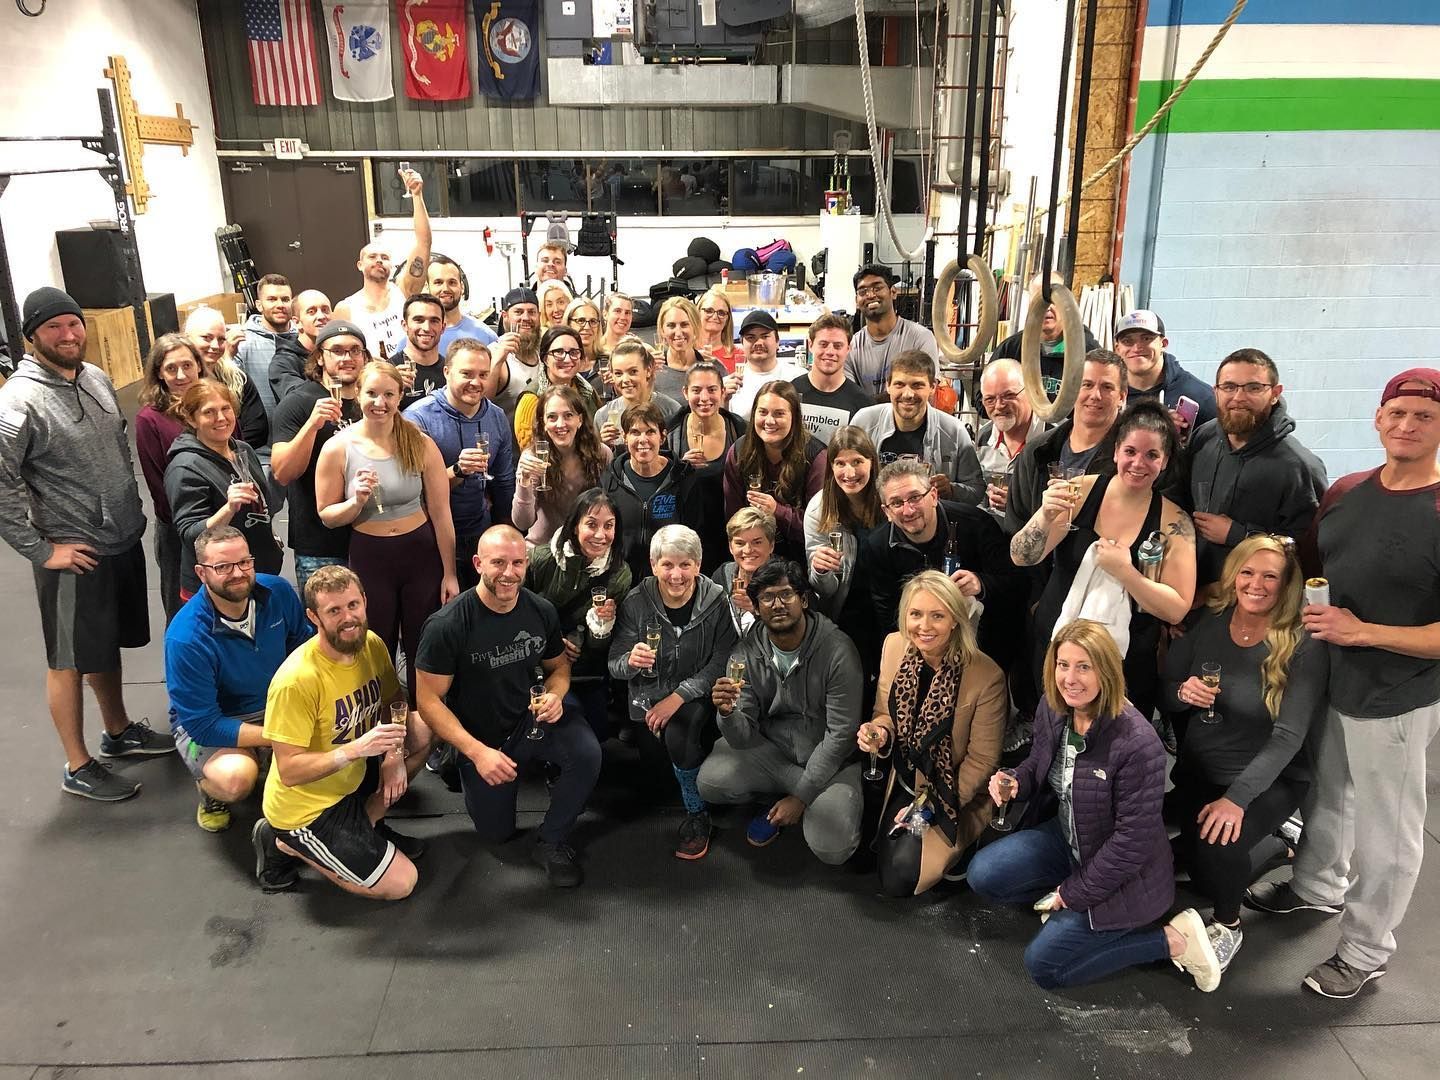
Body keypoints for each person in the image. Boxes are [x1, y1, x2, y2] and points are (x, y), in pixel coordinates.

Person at [1244, 369, 1440, 999]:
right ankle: (1316, 888)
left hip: (1397, 694)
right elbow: (1312, 567)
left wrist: (1364, 633)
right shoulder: (1349, 492)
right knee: (1328, 794)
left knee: (1388, 832)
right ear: (1378, 419)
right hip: (1330, 676)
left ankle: (1365, 951)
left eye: (1423, 417)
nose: (1407, 426)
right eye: (1397, 414)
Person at [966, 620, 1221, 991]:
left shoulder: (1137, 743)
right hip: (1070, 836)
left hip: (1127, 872)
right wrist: (1015, 782)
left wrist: (1072, 894)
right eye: (1062, 665)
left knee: (1045, 968)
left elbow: (1130, 846)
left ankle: (1170, 942)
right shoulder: (1054, 709)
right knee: (983, 874)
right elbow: (1038, 766)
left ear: (1107, 670)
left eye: (1084, 666)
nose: (1070, 678)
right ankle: (1073, 912)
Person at [0, 287, 172, 802]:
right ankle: (77, 764)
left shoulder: (95, 377)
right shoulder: (19, 400)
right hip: (70, 552)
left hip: (117, 539)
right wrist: (41, 550)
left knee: (105, 644)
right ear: (31, 337)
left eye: (74, 323)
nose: (69, 334)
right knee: (68, 659)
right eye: (54, 327)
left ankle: (117, 731)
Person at [1162, 536, 1326, 975]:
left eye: (1270, 576)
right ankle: (1274, 846)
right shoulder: (1207, 621)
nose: (1256, 584)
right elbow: (1167, 687)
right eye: (1247, 573)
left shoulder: (1302, 642)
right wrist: (1182, 692)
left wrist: (1236, 800)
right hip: (1202, 770)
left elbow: (1289, 737)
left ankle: (1229, 924)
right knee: (1175, 856)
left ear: (1285, 583)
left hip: (1269, 778)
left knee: (1218, 851)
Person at [416, 527, 601, 888]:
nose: (509, 573)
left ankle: (552, 840)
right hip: (481, 738)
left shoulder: (540, 609)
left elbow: (559, 667)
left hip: (529, 719)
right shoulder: (447, 625)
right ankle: (459, 766)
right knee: (496, 833)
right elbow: (427, 702)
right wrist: (476, 752)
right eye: (498, 562)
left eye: (517, 563)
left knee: (587, 752)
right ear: (478, 564)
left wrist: (555, 695)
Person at [1012, 399, 1196, 721]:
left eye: (1151, 455)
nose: (1138, 463)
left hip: (1124, 667)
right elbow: (1022, 556)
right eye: (1130, 451)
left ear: (1165, 461)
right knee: (1049, 746)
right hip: (1057, 652)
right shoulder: (1078, 493)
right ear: (1115, 452)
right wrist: (1044, 515)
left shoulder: (1173, 521)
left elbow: (1177, 606)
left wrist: (1127, 574)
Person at [254, 566, 428, 899]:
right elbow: (289, 771)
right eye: (334, 611)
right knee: (401, 884)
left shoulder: (371, 644)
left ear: (364, 601)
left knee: (423, 727)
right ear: (313, 617)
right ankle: (286, 843)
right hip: (308, 808)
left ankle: (367, 823)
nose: (348, 618)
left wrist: (392, 757)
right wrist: (355, 750)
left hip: (352, 775)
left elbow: (395, 701)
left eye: (352, 605)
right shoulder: (296, 681)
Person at [701, 559, 864, 866]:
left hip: (828, 756)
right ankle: (797, 796)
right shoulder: (745, 653)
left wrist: (800, 796)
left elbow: (841, 735)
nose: (778, 604)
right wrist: (727, 713)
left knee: (832, 848)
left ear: (803, 599)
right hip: (773, 751)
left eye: (786, 594)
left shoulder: (837, 650)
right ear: (756, 606)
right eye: (767, 597)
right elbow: (742, 737)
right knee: (711, 781)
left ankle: (797, 799)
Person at [316, 360, 459, 703]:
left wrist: (450, 574)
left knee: (421, 642)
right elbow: (327, 516)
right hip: (371, 556)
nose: (379, 402)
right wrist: (356, 502)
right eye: (371, 393)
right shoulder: (338, 447)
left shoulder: (420, 443)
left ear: (400, 396)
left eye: (388, 394)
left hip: (420, 555)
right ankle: (381, 724)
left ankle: (425, 720)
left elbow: (441, 513)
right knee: (375, 643)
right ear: (358, 395)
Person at [859, 571, 1007, 895]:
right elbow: (885, 714)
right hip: (905, 776)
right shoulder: (894, 646)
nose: (923, 626)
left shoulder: (987, 676)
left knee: (900, 877)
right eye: (916, 614)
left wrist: (930, 807)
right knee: (863, 856)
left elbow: (983, 761)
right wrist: (880, 734)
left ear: (955, 619)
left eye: (937, 616)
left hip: (954, 789)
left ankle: (967, 842)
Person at [165, 527, 313, 835]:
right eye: (223, 567)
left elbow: (304, 649)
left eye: (244, 562)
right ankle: (209, 790)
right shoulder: (186, 638)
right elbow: (203, 724)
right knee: (236, 779)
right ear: (201, 573)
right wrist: (280, 736)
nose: (237, 573)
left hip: (276, 703)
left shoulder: (279, 592)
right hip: (217, 722)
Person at [609, 525, 738, 859]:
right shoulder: (637, 601)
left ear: (698, 564)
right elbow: (615, 664)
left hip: (696, 696)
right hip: (647, 701)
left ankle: (698, 816)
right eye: (667, 564)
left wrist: (679, 696)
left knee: (680, 734)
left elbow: (723, 659)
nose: (677, 574)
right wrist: (631, 662)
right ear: (653, 565)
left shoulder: (717, 600)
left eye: (685, 564)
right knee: (657, 781)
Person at [1186, 348, 1327, 589]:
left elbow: (1307, 549)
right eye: (1229, 387)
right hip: (1194, 591)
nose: (1239, 397)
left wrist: (1239, 535)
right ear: (1216, 392)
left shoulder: (1298, 466)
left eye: (1253, 388)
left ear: (1274, 393)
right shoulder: (1204, 437)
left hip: (1254, 599)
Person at [404, 338, 516, 590]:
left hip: (481, 533)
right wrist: (457, 471)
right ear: (446, 372)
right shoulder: (417, 418)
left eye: (483, 375)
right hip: (430, 539)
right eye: (467, 373)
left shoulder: (496, 416)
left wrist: (505, 531)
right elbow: (411, 491)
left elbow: (504, 480)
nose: (476, 382)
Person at [269, 320, 367, 593]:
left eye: (355, 350)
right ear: (320, 357)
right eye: (337, 350)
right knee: (325, 629)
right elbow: (282, 472)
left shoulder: (372, 402)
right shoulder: (298, 402)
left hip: (370, 537)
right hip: (320, 544)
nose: (347, 358)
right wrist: (312, 425)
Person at [526, 490, 632, 741]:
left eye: (609, 526)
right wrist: (551, 646)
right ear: (574, 526)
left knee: (597, 733)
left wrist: (601, 626)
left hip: (585, 670)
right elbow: (515, 616)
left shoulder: (620, 574)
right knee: (546, 724)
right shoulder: (542, 560)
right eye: (591, 524)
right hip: (536, 665)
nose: (600, 535)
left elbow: (603, 650)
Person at [165, 380, 283, 602]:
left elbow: (262, 506)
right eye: (209, 412)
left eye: (225, 408)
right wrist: (228, 509)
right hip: (216, 586)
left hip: (255, 573)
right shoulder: (185, 467)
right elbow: (191, 535)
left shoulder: (241, 449)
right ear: (192, 419)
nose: (221, 418)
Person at [1005, 349, 1130, 536]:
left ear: (1122, 397)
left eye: (1107, 387)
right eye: (1086, 385)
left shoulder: (1132, 457)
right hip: (1038, 563)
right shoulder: (1037, 450)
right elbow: (1015, 527)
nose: (1095, 395)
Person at [851, 350, 984, 504]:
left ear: (933, 387)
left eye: (917, 385)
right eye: (899, 384)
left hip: (930, 525)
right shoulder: (864, 422)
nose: (908, 394)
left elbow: (977, 490)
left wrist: (952, 490)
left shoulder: (954, 431)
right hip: (873, 522)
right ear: (888, 385)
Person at [135, 333, 203, 622]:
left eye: (187, 365)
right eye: (171, 368)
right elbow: (159, 487)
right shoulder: (149, 419)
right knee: (184, 615)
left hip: (224, 525)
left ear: (199, 366)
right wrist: (197, 523)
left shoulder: (213, 403)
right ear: (159, 374)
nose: (180, 375)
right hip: (179, 533)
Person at [722, 381, 827, 561]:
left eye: (779, 414)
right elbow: (733, 520)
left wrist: (776, 511)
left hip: (800, 559)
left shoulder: (816, 457)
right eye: (762, 412)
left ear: (794, 417)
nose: (769, 421)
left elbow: (818, 529)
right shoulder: (739, 450)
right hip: (752, 557)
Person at [335, 166, 431, 357]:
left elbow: (424, 243)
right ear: (360, 265)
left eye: (385, 257)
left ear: (393, 266)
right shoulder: (345, 309)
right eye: (372, 256)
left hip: (410, 376)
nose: (379, 260)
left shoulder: (404, 291)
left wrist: (417, 195)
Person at [602, 401, 701, 583]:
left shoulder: (684, 479)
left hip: (671, 582)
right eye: (635, 432)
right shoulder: (609, 480)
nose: (643, 440)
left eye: (650, 432)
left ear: (662, 437)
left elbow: (696, 541)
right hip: (622, 582)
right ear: (625, 437)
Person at [665, 359, 747, 571]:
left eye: (711, 389)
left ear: (722, 392)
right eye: (696, 390)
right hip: (683, 539)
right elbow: (659, 484)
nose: (704, 398)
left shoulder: (740, 430)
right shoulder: (670, 431)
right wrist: (680, 468)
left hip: (729, 538)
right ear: (685, 393)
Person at [514, 384, 612, 547]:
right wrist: (524, 483)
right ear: (543, 422)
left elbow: (609, 511)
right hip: (543, 549)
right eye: (552, 417)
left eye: (568, 415)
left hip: (587, 548)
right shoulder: (532, 457)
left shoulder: (602, 454)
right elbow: (522, 523)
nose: (560, 424)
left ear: (579, 420)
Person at [804, 425, 882, 625]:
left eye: (857, 461)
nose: (850, 472)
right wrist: (821, 571)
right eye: (840, 463)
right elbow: (825, 591)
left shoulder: (889, 498)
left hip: (889, 602)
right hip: (845, 611)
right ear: (831, 466)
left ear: (872, 462)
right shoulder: (818, 510)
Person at [988, 274, 1101, 402]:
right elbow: (983, 399)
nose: (1046, 307)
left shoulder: (1089, 352)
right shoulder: (1011, 349)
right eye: (1039, 301)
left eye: (1053, 301)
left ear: (1067, 303)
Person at [1113, 310, 1216, 441]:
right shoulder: (1107, 392)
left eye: (1146, 338)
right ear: (1117, 349)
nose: (1137, 347)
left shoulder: (1199, 396)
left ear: (1163, 344)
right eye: (1128, 341)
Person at [844, 264, 940, 398]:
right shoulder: (852, 346)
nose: (870, 295)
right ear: (856, 301)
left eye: (877, 288)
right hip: (868, 420)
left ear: (893, 292)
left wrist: (867, 404)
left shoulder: (920, 337)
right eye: (863, 291)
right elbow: (851, 400)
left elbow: (923, 394)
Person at [185, 306, 271, 452]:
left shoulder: (237, 378)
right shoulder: (180, 384)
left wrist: (226, 448)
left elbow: (257, 428)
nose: (215, 346)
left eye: (221, 339)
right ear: (187, 338)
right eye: (207, 338)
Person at [975, 357, 1046, 523]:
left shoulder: (1055, 437)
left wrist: (1017, 505)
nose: (999, 405)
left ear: (1030, 390)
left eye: (1008, 395)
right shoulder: (983, 438)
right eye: (990, 399)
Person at [513, 326, 602, 451]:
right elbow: (531, 451)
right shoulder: (532, 398)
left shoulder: (588, 392)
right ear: (545, 359)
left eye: (574, 352)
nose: (567, 359)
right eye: (558, 352)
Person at [792, 313, 872, 446]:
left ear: (848, 349)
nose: (830, 351)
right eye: (823, 344)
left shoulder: (863, 405)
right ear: (810, 345)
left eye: (837, 346)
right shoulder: (791, 392)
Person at [594, 338, 685, 446]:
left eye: (633, 372)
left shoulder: (672, 410)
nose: (626, 379)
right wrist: (604, 446)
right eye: (618, 373)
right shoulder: (603, 416)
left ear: (648, 370)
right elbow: (596, 460)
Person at [724, 311, 808, 420]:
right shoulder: (729, 384)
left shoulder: (798, 377)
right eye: (751, 337)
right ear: (742, 343)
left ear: (777, 341)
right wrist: (723, 401)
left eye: (765, 336)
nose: (758, 342)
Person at [234, 273, 294, 425]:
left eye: (285, 299)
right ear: (259, 305)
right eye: (272, 299)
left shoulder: (303, 338)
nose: (280, 305)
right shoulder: (243, 342)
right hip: (260, 441)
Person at [713, 507, 777, 639]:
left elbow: (793, 634)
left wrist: (757, 611)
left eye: (757, 542)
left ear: (771, 545)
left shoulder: (787, 579)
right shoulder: (722, 575)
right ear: (731, 547)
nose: (748, 550)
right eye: (740, 543)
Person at [489, 287, 545, 420]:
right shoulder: (492, 353)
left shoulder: (545, 352)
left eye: (532, 312)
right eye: (518, 312)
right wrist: (497, 362)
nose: (526, 318)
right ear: (505, 316)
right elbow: (481, 403)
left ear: (539, 316)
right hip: (507, 438)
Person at [424, 255, 497, 356]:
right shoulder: (414, 338)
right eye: (438, 282)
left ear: (462, 287)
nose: (445, 288)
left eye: (452, 282)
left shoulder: (486, 336)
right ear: (427, 287)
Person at [269, 290, 332, 402]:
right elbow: (298, 399)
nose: (321, 316)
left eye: (325, 310)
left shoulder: (341, 354)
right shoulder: (283, 363)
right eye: (311, 311)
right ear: (297, 322)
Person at [394, 293, 447, 410]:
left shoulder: (452, 372)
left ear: (443, 327)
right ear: (404, 325)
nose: (427, 328)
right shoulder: (388, 371)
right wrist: (389, 387)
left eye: (434, 321)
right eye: (419, 320)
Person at [654, 296, 704, 401]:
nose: (678, 332)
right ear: (662, 330)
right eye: (671, 326)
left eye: (684, 325)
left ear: (695, 327)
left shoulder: (713, 367)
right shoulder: (652, 371)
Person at [695, 285, 741, 370]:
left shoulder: (739, 355)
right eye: (709, 311)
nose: (715, 316)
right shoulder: (686, 351)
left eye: (721, 313)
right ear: (698, 313)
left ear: (727, 319)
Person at [563, 295, 605, 385]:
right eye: (581, 321)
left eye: (593, 321)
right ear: (568, 323)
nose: (587, 327)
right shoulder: (558, 362)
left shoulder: (607, 363)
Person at [597, 290, 634, 357]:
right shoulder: (594, 350)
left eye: (627, 313)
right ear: (605, 314)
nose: (623, 317)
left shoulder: (642, 350)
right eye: (617, 311)